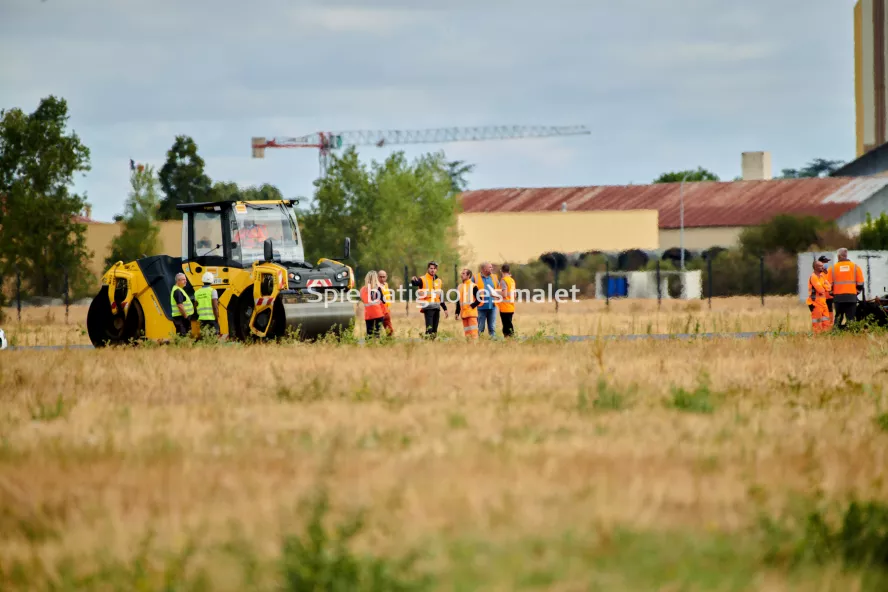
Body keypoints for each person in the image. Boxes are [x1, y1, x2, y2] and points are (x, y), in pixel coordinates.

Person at [826, 248, 865, 330]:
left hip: (838, 297)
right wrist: (856, 292)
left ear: (839, 256)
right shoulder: (855, 267)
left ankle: (836, 332)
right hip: (851, 297)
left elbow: (828, 285)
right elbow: (861, 283)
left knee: (839, 316)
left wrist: (832, 293)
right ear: (846, 256)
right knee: (851, 317)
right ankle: (851, 332)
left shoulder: (832, 268)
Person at [410, 261, 448, 338]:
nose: (432, 270)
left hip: (437, 307)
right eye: (431, 268)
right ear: (428, 269)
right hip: (428, 307)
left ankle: (431, 346)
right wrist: (413, 280)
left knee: (434, 331)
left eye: (434, 268)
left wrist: (445, 308)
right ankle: (426, 343)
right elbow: (415, 283)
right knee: (429, 329)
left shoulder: (439, 281)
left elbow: (439, 296)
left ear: (436, 270)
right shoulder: (422, 279)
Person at [455, 268, 481, 340]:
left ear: (468, 275)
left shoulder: (473, 286)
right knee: (467, 335)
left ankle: (475, 348)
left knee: (474, 334)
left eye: (463, 273)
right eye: (461, 273)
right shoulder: (459, 286)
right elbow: (458, 301)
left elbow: (479, 299)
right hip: (464, 314)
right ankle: (469, 348)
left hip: (471, 314)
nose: (461, 275)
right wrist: (457, 312)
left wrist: (471, 306)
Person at [474, 262, 499, 337]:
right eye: (490, 267)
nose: (492, 268)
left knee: (492, 328)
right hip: (481, 307)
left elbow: (498, 288)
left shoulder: (494, 277)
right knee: (480, 328)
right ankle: (479, 343)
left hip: (492, 306)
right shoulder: (475, 277)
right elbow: (469, 289)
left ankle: (493, 341)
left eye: (491, 267)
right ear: (484, 269)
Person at [360, 270, 386, 339]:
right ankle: (376, 348)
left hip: (368, 315)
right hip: (378, 314)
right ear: (376, 278)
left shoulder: (362, 289)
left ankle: (369, 347)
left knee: (369, 334)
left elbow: (363, 300)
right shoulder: (378, 288)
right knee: (377, 333)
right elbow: (384, 301)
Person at [194, 271, 221, 338]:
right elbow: (215, 306)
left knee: (205, 337)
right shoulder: (213, 291)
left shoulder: (197, 292)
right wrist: (217, 318)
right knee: (213, 337)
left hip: (202, 319)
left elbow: (195, 306)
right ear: (212, 281)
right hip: (211, 319)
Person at [808, 260, 831, 334]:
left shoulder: (822, 277)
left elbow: (829, 288)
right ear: (815, 267)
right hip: (816, 303)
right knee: (817, 323)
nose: (823, 267)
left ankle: (825, 336)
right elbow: (820, 290)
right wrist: (824, 287)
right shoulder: (813, 277)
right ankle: (817, 337)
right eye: (820, 266)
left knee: (826, 321)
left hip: (823, 303)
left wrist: (824, 287)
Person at [170, 273, 194, 338]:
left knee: (184, 336)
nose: (185, 281)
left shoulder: (179, 289)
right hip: (181, 318)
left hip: (181, 317)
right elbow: (180, 306)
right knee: (183, 336)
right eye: (183, 280)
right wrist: (186, 317)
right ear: (178, 281)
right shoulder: (177, 291)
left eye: (185, 279)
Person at [497, 263, 516, 338]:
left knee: (506, 328)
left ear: (501, 271)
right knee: (508, 325)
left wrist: (495, 292)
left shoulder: (503, 280)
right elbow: (514, 295)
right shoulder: (512, 280)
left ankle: (510, 341)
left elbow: (504, 294)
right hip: (511, 307)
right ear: (509, 271)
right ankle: (509, 341)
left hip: (504, 308)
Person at [377, 269, 394, 337]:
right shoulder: (376, 286)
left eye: (383, 277)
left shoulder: (386, 285)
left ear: (386, 277)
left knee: (389, 329)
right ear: (377, 277)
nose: (382, 278)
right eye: (380, 277)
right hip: (379, 310)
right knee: (377, 328)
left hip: (386, 310)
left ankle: (389, 342)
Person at [818, 255, 834, 325]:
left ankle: (830, 325)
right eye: (824, 262)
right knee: (822, 312)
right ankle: (823, 326)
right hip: (822, 297)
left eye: (827, 262)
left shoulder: (829, 272)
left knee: (830, 311)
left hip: (830, 296)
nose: (826, 263)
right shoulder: (817, 274)